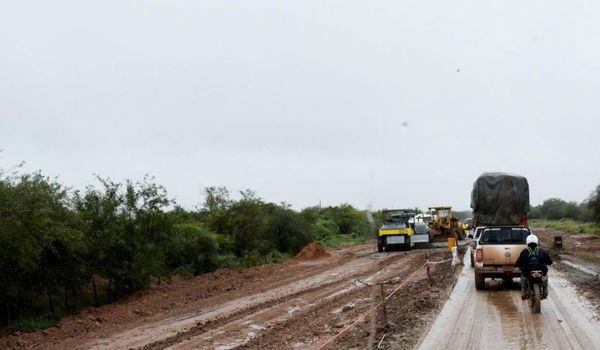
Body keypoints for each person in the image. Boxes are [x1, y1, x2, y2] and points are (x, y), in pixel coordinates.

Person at [515, 234, 553, 300]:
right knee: (544, 278)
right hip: (541, 271)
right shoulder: (542, 251)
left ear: (527, 242)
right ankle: (545, 293)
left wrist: (517, 265)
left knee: (523, 278)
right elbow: (549, 261)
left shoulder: (524, 252)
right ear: (536, 242)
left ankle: (524, 293)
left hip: (528, 272)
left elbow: (519, 262)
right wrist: (549, 263)